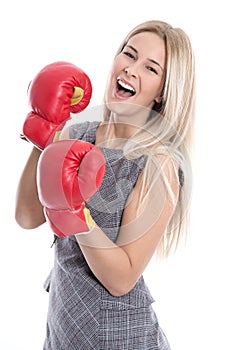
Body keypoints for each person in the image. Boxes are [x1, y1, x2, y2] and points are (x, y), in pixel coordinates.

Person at [15, 19, 195, 350]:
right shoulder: (77, 135)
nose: (131, 69)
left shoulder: (157, 164)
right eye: (129, 54)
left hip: (120, 338)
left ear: (162, 93)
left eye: (150, 68)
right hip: (63, 329)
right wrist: (45, 132)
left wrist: (75, 211)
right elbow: (27, 215)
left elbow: (122, 279)